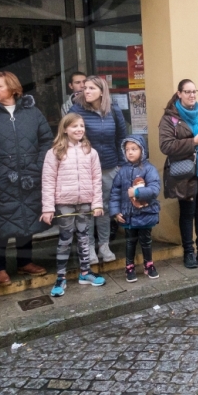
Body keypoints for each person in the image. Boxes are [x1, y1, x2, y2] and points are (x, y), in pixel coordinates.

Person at [0, 71, 53, 287]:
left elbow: (46, 140)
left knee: (26, 220)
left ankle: (24, 262)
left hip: (29, 177)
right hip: (0, 180)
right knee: (0, 225)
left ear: (13, 89)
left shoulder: (32, 112)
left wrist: (38, 167)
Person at [40, 113, 107, 297]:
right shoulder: (55, 152)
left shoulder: (90, 152)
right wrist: (48, 208)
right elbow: (48, 180)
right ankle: (60, 277)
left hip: (85, 202)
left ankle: (85, 273)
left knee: (85, 238)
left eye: (82, 126)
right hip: (65, 204)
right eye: (74, 126)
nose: (79, 129)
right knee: (65, 240)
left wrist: (97, 203)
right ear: (65, 129)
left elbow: (96, 179)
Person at [159, 79, 198, 269]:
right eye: (187, 92)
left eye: (194, 91)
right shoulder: (170, 118)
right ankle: (189, 253)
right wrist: (193, 142)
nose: (192, 95)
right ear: (179, 94)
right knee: (187, 214)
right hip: (184, 175)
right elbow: (166, 146)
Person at [68, 75, 128, 264]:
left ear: (102, 91)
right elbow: (68, 138)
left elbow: (121, 139)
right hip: (84, 169)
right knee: (86, 209)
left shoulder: (113, 110)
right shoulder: (76, 110)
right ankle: (88, 248)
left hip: (109, 167)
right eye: (85, 88)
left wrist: (120, 163)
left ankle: (104, 245)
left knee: (104, 208)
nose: (87, 91)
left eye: (92, 88)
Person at [110, 136, 161, 282]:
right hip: (128, 215)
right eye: (127, 150)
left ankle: (149, 264)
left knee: (146, 240)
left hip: (145, 213)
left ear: (142, 150)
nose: (130, 153)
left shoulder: (149, 169)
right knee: (130, 241)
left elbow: (154, 189)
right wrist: (115, 211)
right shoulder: (122, 171)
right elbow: (115, 192)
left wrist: (137, 193)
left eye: (134, 149)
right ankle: (129, 266)